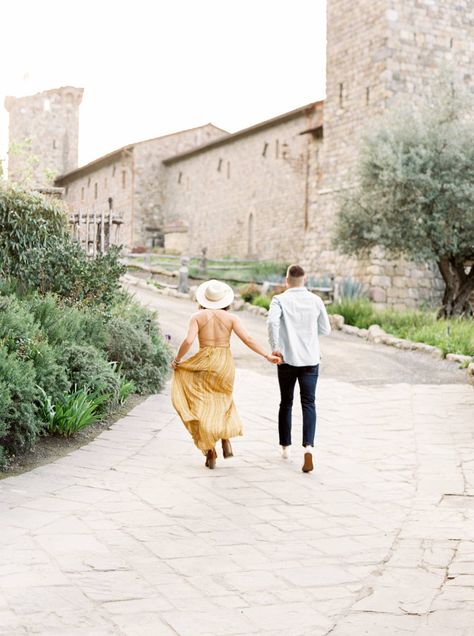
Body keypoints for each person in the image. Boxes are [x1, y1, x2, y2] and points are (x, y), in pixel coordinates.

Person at [172, 279, 280, 469]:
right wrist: (266, 355)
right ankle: (225, 438)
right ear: (225, 301)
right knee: (224, 400)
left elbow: (189, 340)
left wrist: (178, 359)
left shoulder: (197, 316)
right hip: (224, 363)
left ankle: (210, 449)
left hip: (205, 360)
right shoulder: (231, 318)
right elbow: (247, 338)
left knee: (203, 403)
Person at [267, 264, 331, 473]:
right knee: (309, 403)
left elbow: (272, 322)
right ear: (305, 280)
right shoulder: (315, 300)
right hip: (311, 359)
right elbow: (326, 329)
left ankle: (285, 447)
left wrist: (275, 347)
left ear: (286, 281)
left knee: (286, 402)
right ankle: (308, 448)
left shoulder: (279, 300)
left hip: (286, 359)